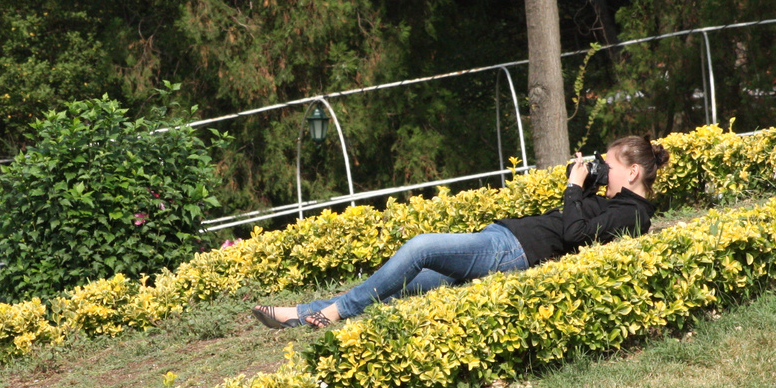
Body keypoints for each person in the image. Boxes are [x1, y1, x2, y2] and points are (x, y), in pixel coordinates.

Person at [252, 135, 668, 329]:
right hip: (506, 244)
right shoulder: (617, 205)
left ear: (632, 172)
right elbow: (583, 224)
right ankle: (301, 315)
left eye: (608, 165)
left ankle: (331, 313)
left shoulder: (633, 213)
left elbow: (577, 234)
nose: (602, 170)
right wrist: (586, 181)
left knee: (420, 248)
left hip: (511, 250)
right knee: (400, 287)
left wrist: (575, 187)